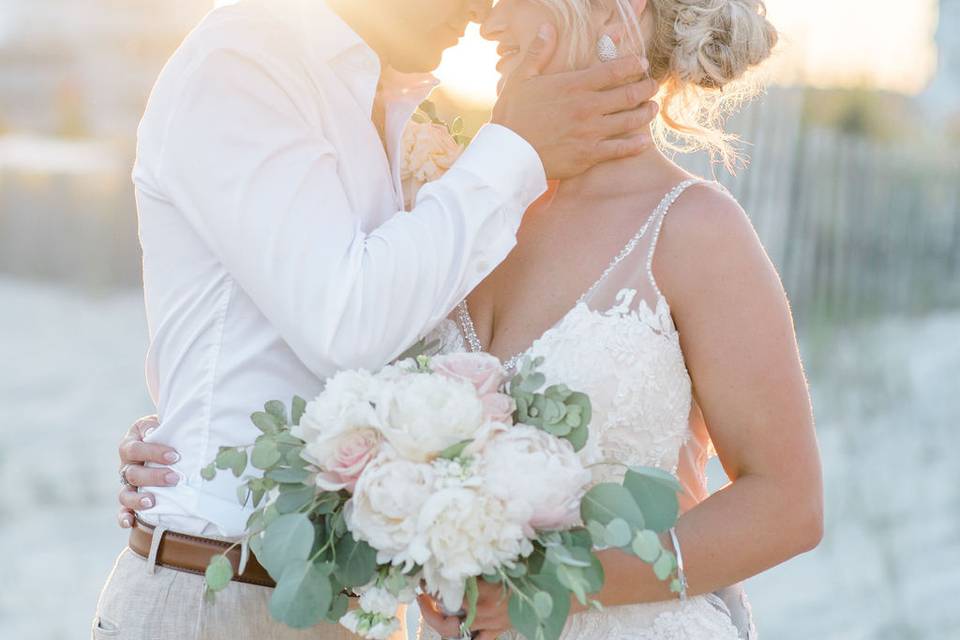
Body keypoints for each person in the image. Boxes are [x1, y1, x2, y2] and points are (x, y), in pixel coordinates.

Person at [92, 0, 662, 636]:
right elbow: (347, 327)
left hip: (361, 609)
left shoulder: (383, 105)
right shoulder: (244, 61)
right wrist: (517, 149)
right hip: (223, 598)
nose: (482, 11)